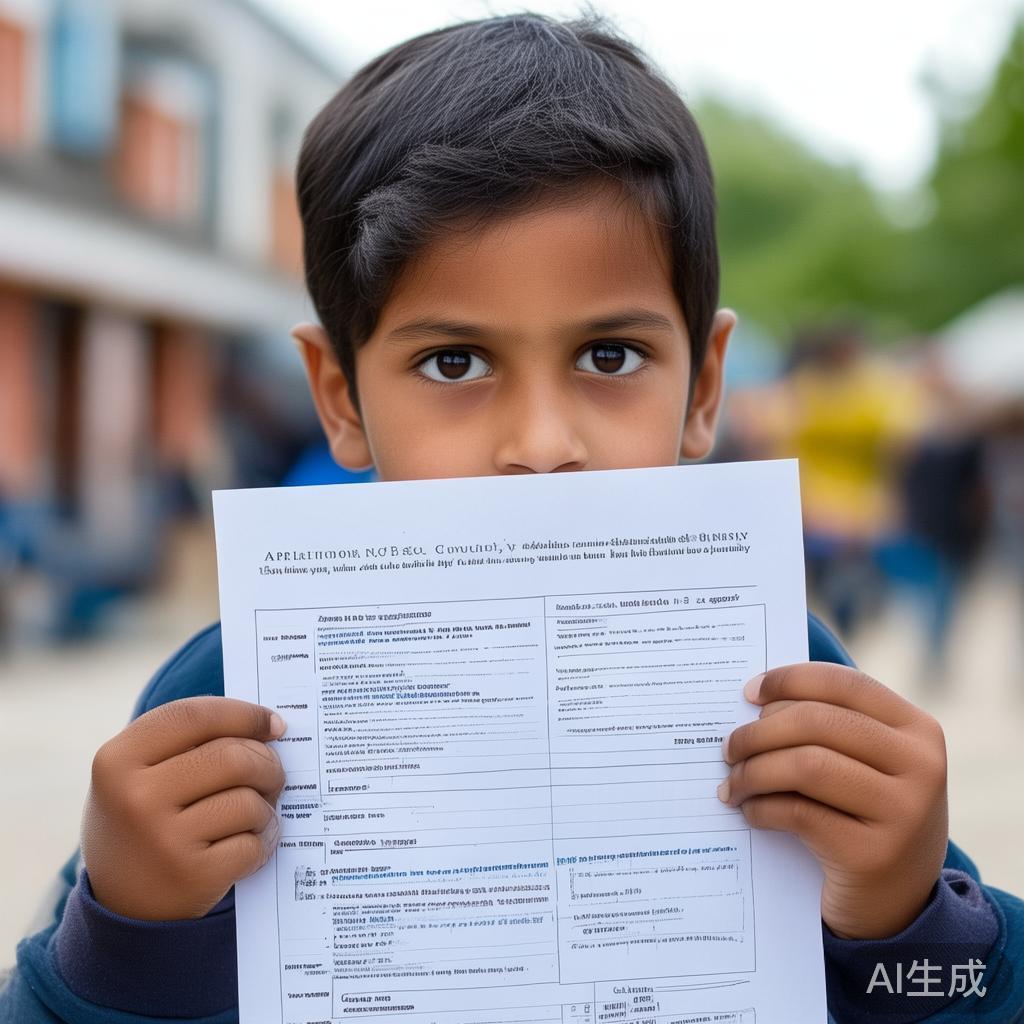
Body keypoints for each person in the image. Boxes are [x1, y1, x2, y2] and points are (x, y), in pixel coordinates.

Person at [3, 13, 1022, 1024]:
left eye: (608, 355)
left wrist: (911, 919)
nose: (541, 442)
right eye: (454, 362)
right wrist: (131, 936)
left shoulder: (791, 686)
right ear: (341, 397)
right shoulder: (222, 703)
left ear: (704, 386)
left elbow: (959, 994)